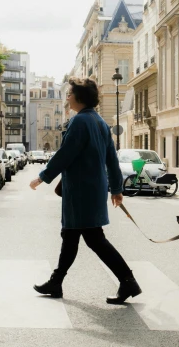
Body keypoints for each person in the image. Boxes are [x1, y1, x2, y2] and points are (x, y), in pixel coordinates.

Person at [29, 77, 142, 305]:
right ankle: (56, 281)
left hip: (81, 190)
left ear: (79, 97)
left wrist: (42, 177)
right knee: (71, 237)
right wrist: (117, 189)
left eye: (70, 93)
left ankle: (128, 281)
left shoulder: (80, 122)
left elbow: (65, 154)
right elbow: (112, 159)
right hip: (92, 189)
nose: (67, 96)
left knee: (93, 239)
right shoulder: (99, 122)